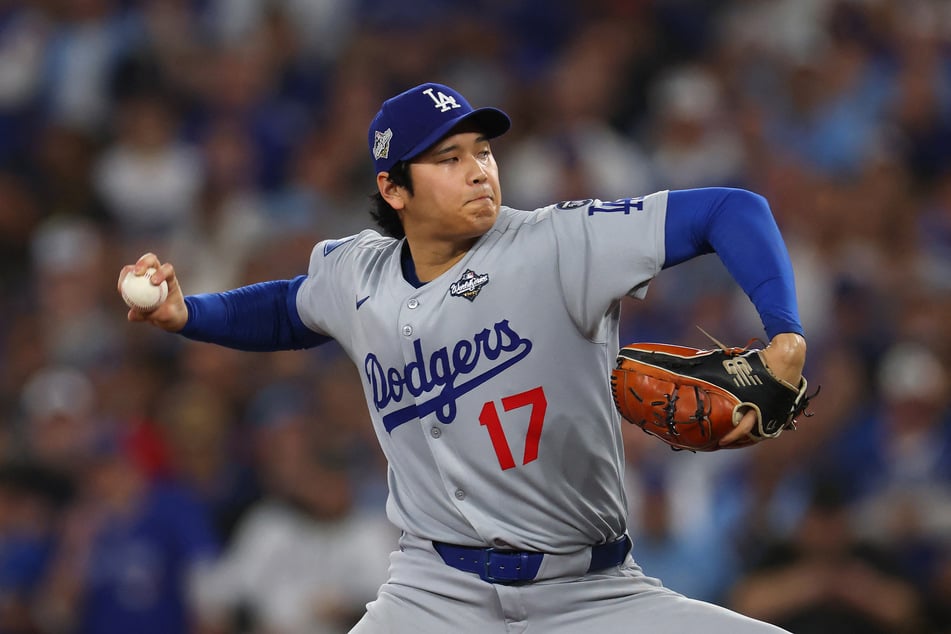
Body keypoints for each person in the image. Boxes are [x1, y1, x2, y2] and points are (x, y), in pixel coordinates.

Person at [118, 82, 807, 633]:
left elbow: (731, 210)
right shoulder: (356, 273)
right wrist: (186, 313)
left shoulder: (557, 243)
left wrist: (784, 334)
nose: (478, 171)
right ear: (394, 189)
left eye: (482, 151)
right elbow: (287, 309)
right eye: (448, 160)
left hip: (590, 594)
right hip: (432, 596)